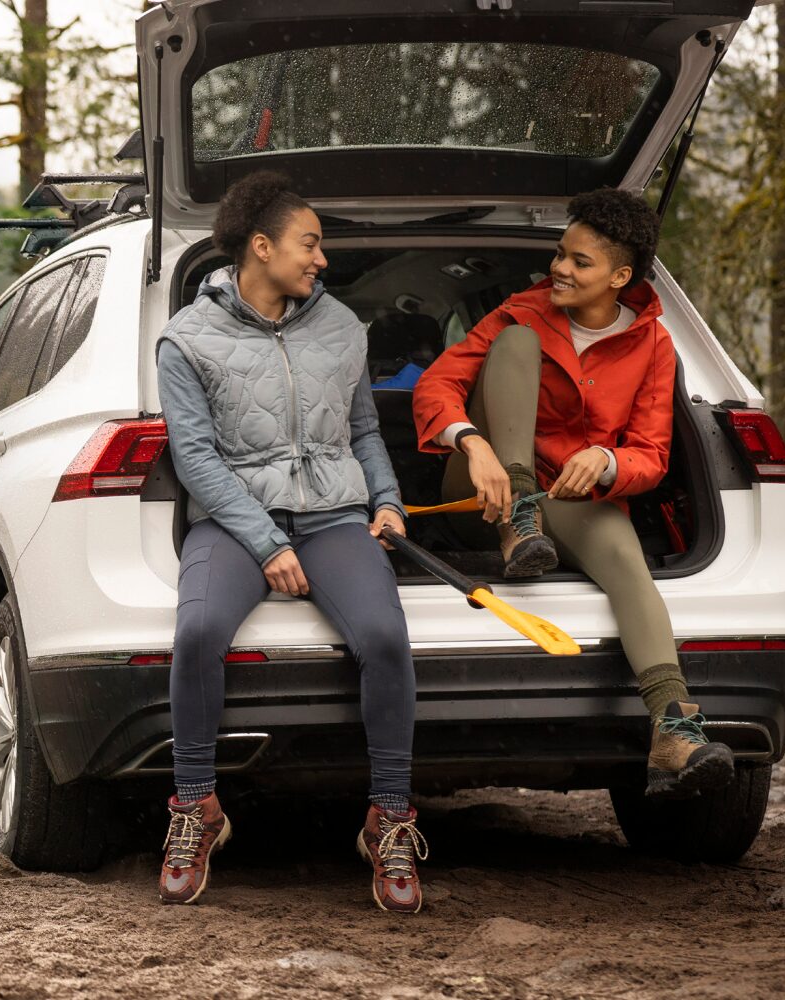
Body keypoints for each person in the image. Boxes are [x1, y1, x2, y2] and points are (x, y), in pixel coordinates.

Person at [153, 170, 425, 913]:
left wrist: (389, 502)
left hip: (336, 516)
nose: (322, 260)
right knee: (200, 629)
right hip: (236, 522)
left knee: (384, 636)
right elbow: (196, 459)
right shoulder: (186, 340)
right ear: (262, 246)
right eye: (310, 244)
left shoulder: (340, 327)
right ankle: (195, 807)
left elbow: (363, 429)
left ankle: (390, 819)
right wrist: (269, 543)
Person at [409, 187, 735, 800]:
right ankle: (517, 521)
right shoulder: (522, 310)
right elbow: (435, 386)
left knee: (624, 560)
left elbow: (652, 455)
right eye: (561, 254)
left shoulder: (654, 343)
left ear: (620, 276)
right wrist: (472, 444)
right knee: (517, 344)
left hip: (573, 499)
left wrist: (607, 461)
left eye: (579, 262)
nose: (559, 268)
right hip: (481, 493)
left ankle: (672, 729)